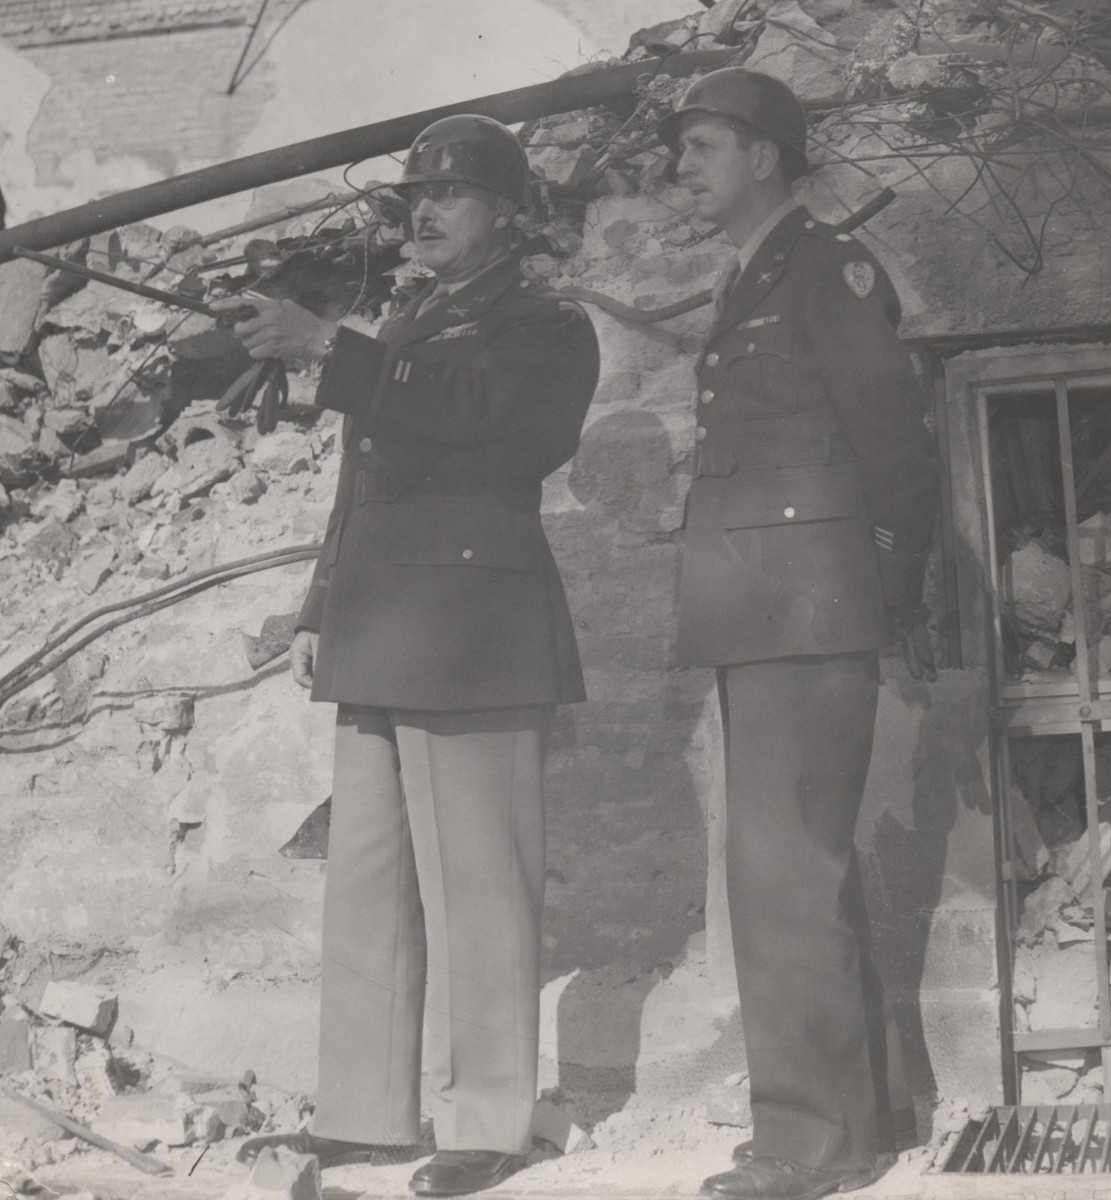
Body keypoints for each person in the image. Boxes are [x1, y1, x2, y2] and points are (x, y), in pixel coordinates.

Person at [214, 115, 599, 1197]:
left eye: (452, 197)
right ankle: (368, 1111)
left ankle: (486, 1121)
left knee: (480, 885)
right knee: (370, 882)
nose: (422, 214)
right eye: (412, 200)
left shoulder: (545, 322)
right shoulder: (412, 317)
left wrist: (334, 351)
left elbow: (492, 421)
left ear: (511, 214)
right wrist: (318, 607)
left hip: (473, 632)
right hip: (381, 620)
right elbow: (364, 484)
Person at [654, 68, 939, 1200]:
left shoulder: (825, 270)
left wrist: (887, 591)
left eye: (704, 146)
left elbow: (897, 448)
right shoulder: (753, 278)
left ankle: (809, 1145)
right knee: (796, 869)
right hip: (768, 605)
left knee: (783, 872)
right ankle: (860, 1118)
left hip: (810, 605)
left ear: (765, 155)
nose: (684, 168)